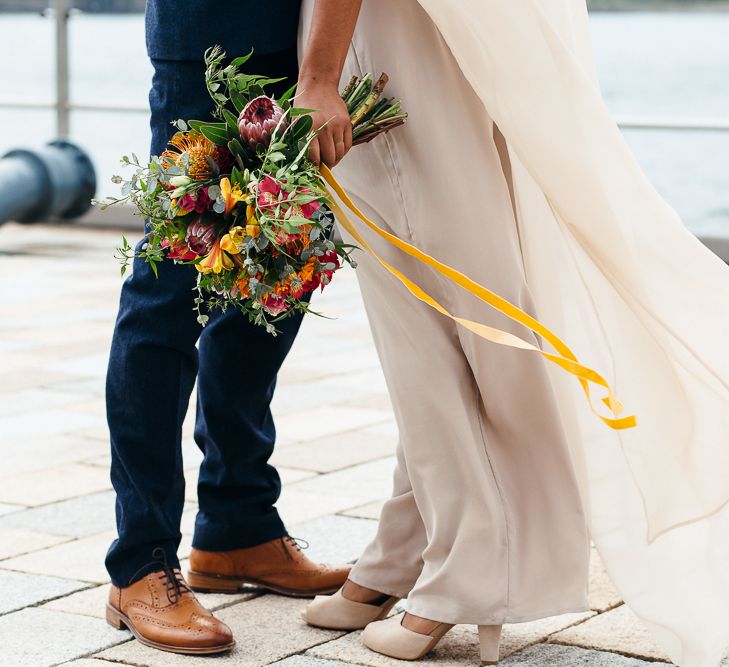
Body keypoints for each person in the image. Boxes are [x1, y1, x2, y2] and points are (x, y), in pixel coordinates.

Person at [297, 1, 729, 666]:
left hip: (388, 36)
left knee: (426, 311)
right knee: (463, 293)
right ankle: (402, 551)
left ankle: (469, 571)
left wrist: (320, 76)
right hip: (451, 38)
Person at [103, 0, 350, 655]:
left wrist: (319, 72)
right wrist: (318, 77)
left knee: (279, 275)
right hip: (213, 33)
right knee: (171, 291)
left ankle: (237, 523)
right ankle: (139, 561)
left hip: (303, 41)